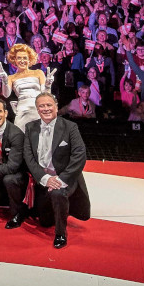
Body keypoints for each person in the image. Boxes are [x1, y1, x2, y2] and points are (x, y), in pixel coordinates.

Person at [23, 92, 91, 249]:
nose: (46, 109)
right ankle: (57, 210)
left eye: (49, 105)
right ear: (37, 109)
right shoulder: (30, 127)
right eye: (41, 106)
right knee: (45, 222)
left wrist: (60, 180)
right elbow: (29, 158)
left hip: (65, 178)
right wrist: (45, 178)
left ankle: (61, 233)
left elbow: (79, 156)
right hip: (42, 180)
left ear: (56, 107)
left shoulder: (70, 127)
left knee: (58, 192)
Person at [0, 97, 30, 228]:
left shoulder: (16, 134)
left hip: (18, 175)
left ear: (6, 113)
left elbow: (13, 166)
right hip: (2, 175)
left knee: (9, 180)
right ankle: (7, 197)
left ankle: (18, 213)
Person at [1, 43, 47, 129]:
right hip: (22, 109)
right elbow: (6, 94)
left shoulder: (38, 72)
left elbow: (45, 93)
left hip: (38, 108)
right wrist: (4, 80)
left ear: (29, 59)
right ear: (14, 60)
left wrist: (48, 85)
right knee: (21, 138)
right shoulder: (11, 77)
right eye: (19, 58)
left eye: (25, 58)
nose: (22, 61)